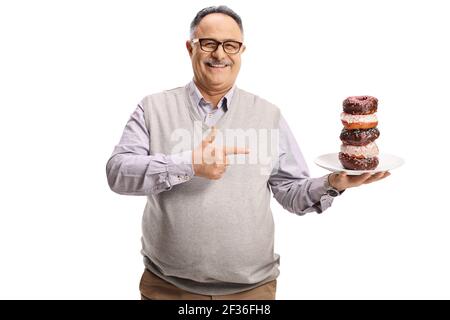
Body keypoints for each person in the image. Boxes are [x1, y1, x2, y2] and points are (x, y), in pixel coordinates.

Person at [106, 5, 390, 300]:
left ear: (242, 51)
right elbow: (118, 173)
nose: (220, 54)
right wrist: (189, 164)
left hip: (252, 292)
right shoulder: (153, 108)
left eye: (231, 45)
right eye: (208, 43)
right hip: (167, 288)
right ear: (190, 48)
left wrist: (333, 183)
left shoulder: (268, 115)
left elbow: (290, 192)